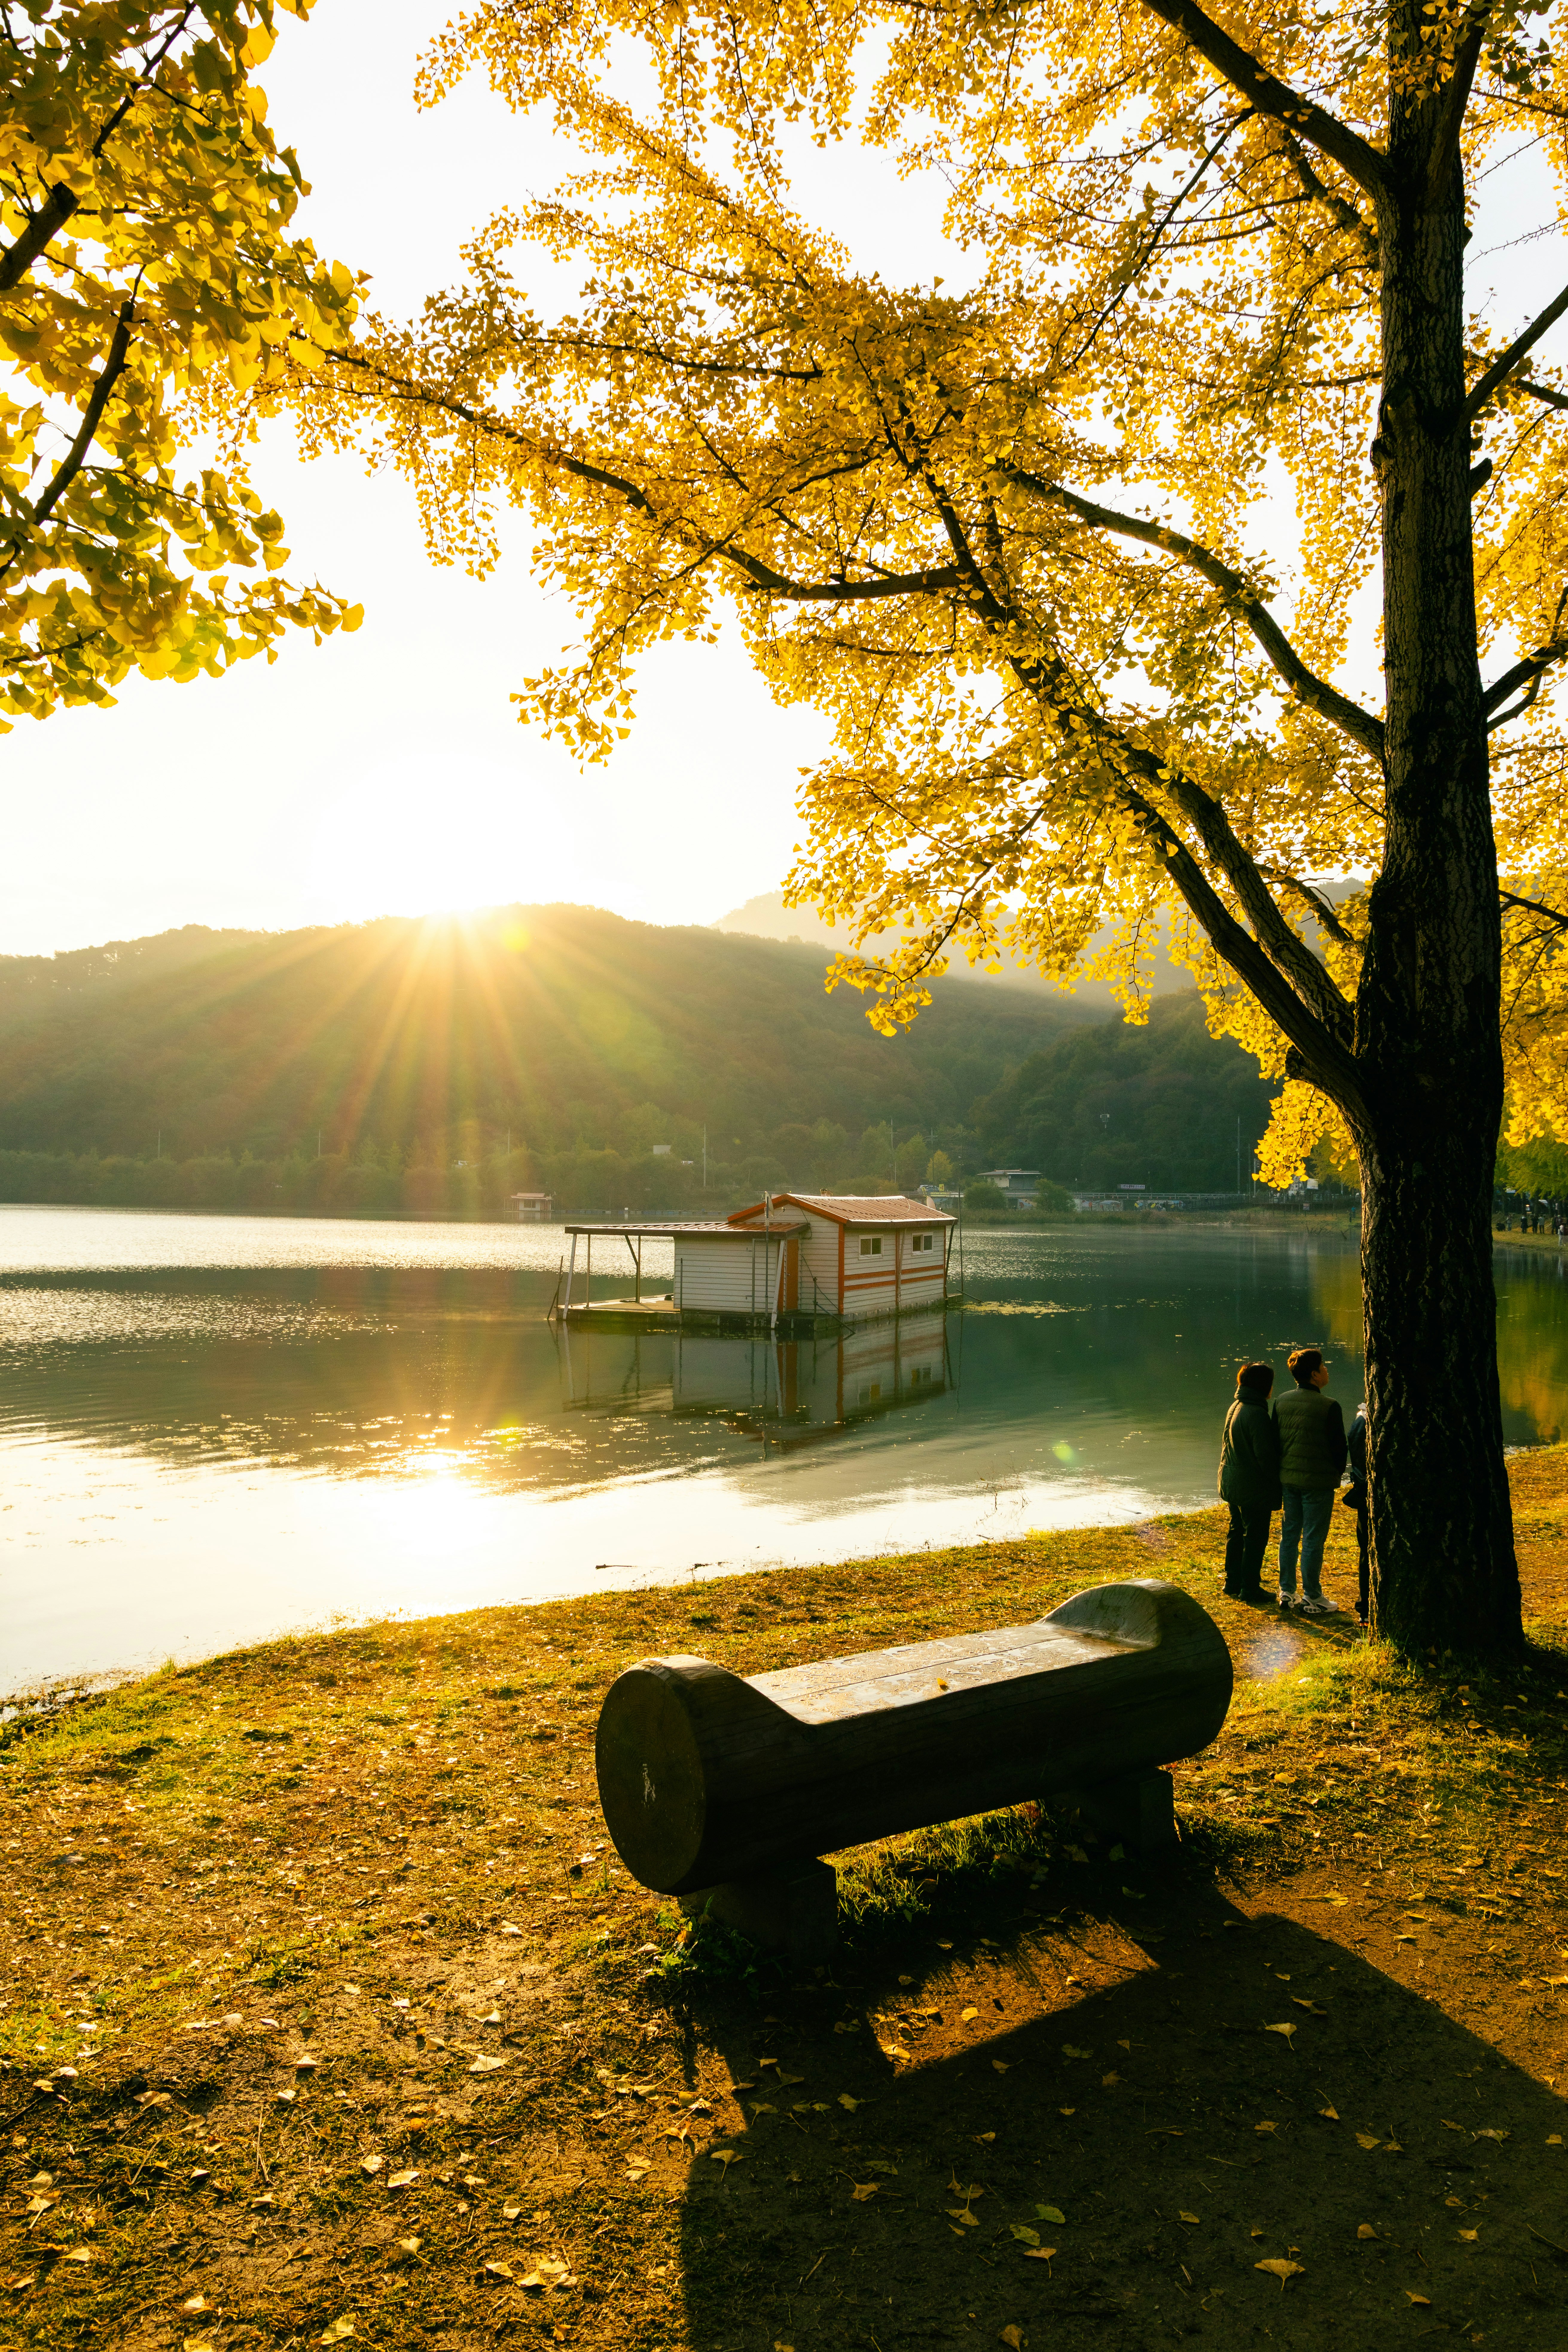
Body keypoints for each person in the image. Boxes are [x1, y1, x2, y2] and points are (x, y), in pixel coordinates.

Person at [1272, 1346, 1347, 1616]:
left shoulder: (1281, 1401)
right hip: (1318, 1483)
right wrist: (1337, 1473)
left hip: (1289, 1478)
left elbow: (1276, 1441)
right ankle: (1313, 1597)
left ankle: (1287, 1592)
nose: (1327, 1371)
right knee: (1314, 1539)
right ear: (1315, 1375)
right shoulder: (1330, 1406)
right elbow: (1340, 1449)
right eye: (1324, 1367)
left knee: (1290, 1535)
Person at [1218, 1362, 1282, 1604]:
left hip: (1232, 1479)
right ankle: (1250, 1588)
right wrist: (1277, 1483)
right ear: (1265, 1386)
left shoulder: (1237, 1406)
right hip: (1251, 1486)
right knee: (1255, 1536)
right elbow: (1265, 1457)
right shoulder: (1257, 1414)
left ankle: (1232, 1582)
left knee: (1237, 1532)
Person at [1342, 1398, 1369, 1626]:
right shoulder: (1364, 1423)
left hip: (1365, 1494)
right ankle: (1366, 1608)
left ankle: (1366, 1608)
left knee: (1367, 1551)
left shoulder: (1360, 1423)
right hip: (1370, 1494)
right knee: (1368, 1551)